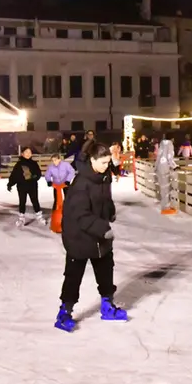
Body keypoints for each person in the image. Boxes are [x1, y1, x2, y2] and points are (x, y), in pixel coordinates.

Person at [54, 141, 128, 332]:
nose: (106, 167)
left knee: (105, 270)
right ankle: (64, 312)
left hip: (98, 234)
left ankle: (107, 306)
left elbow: (105, 200)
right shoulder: (81, 184)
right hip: (78, 235)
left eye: (107, 162)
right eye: (103, 163)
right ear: (92, 160)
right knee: (73, 276)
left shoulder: (103, 177)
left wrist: (110, 212)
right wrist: (103, 228)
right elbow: (80, 214)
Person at [7, 147, 45, 227]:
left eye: (29, 152)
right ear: (22, 154)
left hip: (32, 186)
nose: (28, 154)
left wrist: (34, 176)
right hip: (21, 186)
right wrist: (10, 184)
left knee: (35, 201)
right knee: (22, 201)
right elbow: (14, 175)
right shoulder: (19, 164)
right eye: (26, 152)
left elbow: (38, 173)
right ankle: (21, 218)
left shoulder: (34, 163)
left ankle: (39, 216)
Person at [45, 153, 76, 233]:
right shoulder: (51, 167)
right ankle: (56, 217)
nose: (54, 162)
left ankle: (69, 215)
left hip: (65, 185)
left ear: (59, 159)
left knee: (68, 200)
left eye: (55, 160)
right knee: (57, 201)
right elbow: (47, 174)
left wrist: (68, 180)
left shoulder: (65, 165)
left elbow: (71, 171)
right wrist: (49, 181)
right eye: (53, 161)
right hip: (56, 186)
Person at [155, 134, 178, 215]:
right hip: (165, 168)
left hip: (159, 167)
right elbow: (169, 157)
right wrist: (174, 166)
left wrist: (156, 167)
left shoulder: (162, 143)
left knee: (162, 188)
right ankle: (166, 208)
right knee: (166, 188)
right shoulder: (170, 144)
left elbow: (158, 156)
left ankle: (164, 206)